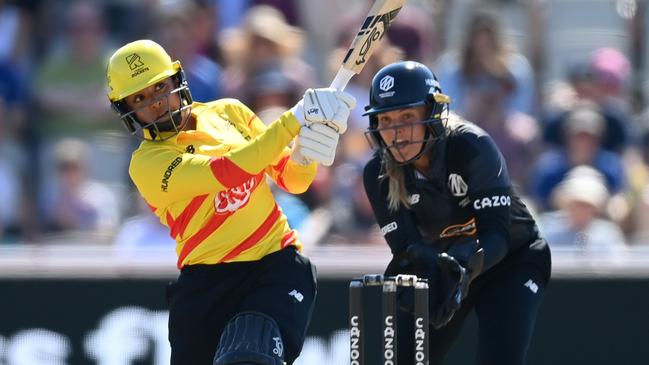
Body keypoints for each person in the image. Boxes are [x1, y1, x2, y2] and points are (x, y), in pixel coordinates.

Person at [105, 39, 355, 365]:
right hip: (206, 285)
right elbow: (230, 170)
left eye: (159, 87)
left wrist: (306, 152)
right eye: (140, 98)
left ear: (177, 80)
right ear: (127, 109)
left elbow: (293, 180)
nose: (155, 103)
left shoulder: (230, 112)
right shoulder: (147, 165)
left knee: (250, 356)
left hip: (274, 266)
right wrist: (296, 117)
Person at [361, 61, 551, 364]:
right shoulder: (377, 175)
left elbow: (496, 236)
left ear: (432, 115)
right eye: (385, 120)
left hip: (512, 259)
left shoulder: (470, 146)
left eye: (407, 116)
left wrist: (466, 267)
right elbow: (409, 250)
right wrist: (420, 270)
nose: (396, 133)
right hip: (445, 268)